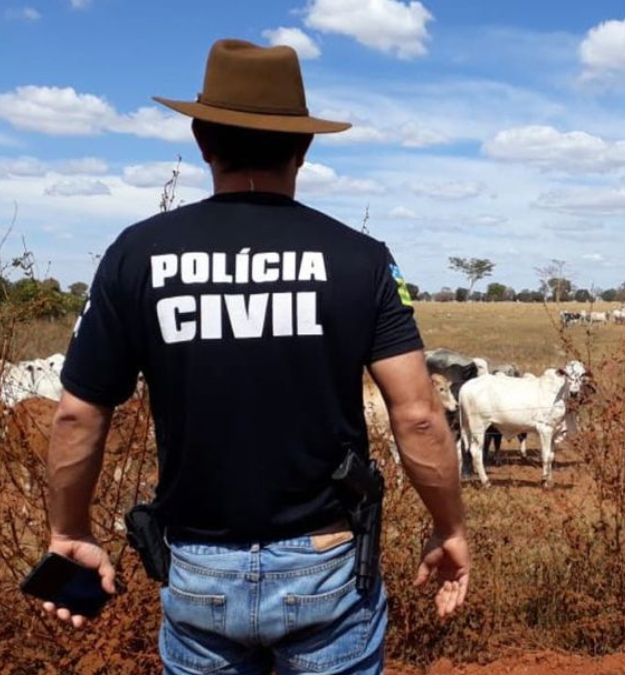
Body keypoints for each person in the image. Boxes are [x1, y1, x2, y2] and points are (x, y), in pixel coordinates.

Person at [40, 38, 469, 674]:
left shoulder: (136, 254)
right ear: (304, 147)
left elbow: (77, 416)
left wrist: (68, 533)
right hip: (325, 564)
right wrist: (449, 527)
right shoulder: (361, 259)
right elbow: (421, 416)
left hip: (196, 569)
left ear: (202, 139)